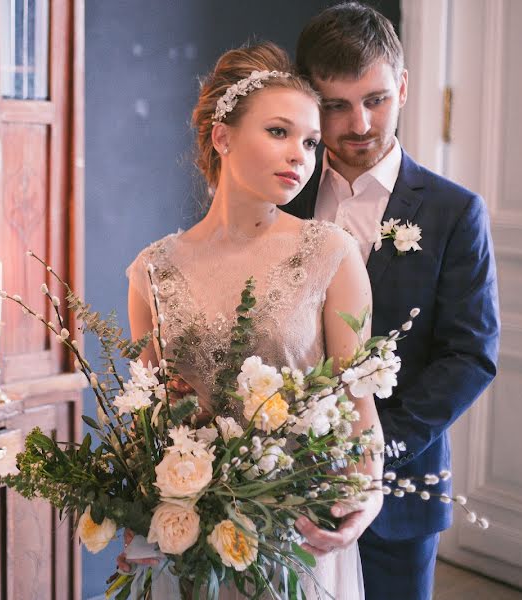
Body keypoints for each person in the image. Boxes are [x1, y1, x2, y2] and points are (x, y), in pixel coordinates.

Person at [123, 41, 383, 599]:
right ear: (223, 137)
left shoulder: (331, 254)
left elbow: (360, 404)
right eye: (279, 132)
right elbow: (150, 421)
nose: (301, 155)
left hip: (295, 533)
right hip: (192, 539)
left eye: (311, 141)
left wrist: (370, 494)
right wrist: (130, 500)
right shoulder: (152, 270)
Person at [285, 4, 500, 599]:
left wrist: (372, 451)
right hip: (280, 487)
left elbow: (470, 355)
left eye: (376, 99)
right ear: (310, 101)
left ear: (402, 87)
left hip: (402, 488)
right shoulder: (279, 202)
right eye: (335, 104)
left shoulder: (456, 212)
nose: (359, 123)